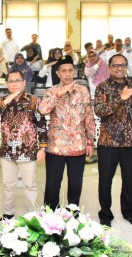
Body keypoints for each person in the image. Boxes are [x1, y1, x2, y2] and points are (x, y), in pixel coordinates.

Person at [94, 55, 132, 228]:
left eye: (123, 65)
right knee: (105, 180)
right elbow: (100, 111)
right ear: (109, 67)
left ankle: (129, 212)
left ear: (127, 67)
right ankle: (105, 214)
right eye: (116, 65)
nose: (119, 68)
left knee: (130, 179)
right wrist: (120, 99)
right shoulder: (102, 87)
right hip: (108, 143)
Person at [0, 69, 47, 219]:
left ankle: (32, 215)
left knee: (30, 186)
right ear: (7, 84)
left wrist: (42, 148)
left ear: (24, 83)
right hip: (7, 152)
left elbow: (41, 125)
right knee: (8, 185)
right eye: (11, 81)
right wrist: (7, 101)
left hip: (28, 152)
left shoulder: (34, 101)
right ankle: (8, 214)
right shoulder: (1, 101)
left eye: (17, 81)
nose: (14, 84)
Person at [39, 55, 95, 209]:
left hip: (78, 146)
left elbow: (89, 117)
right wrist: (60, 92)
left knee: (76, 184)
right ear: (58, 74)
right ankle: (50, 217)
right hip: (55, 146)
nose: (68, 74)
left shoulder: (83, 90)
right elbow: (43, 109)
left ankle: (72, 215)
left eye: (70, 70)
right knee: (52, 184)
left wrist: (90, 141)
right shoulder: (51, 91)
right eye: (64, 71)